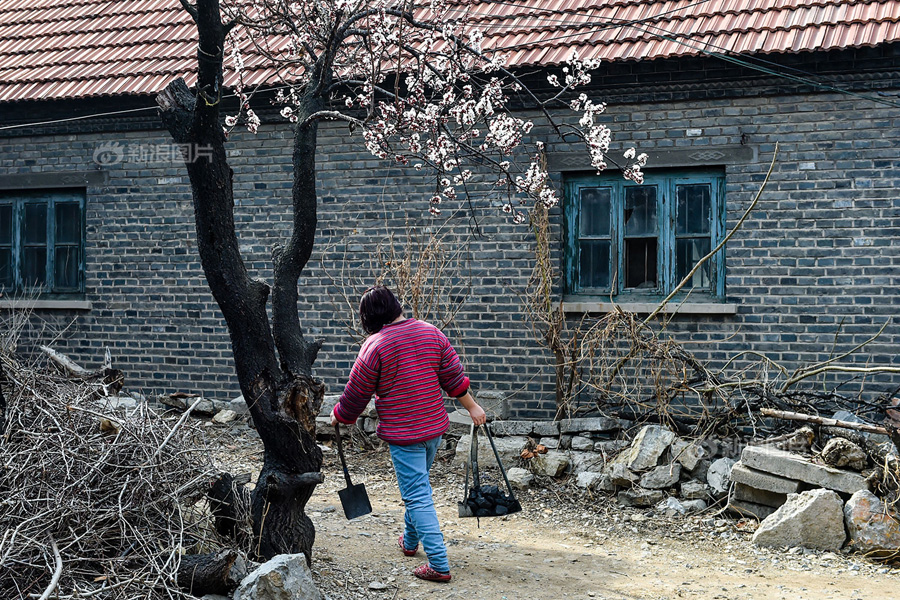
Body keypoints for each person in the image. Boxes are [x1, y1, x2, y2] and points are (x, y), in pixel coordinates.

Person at [331, 285, 486, 583]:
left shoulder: (375, 346)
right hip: (434, 430)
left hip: (405, 435)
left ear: (369, 316)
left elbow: (356, 394)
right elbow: (453, 378)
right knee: (419, 487)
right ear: (396, 306)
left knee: (417, 495)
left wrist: (339, 414)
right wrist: (473, 407)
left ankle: (439, 564)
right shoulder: (431, 333)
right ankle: (409, 541)